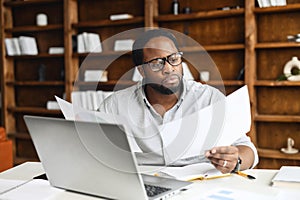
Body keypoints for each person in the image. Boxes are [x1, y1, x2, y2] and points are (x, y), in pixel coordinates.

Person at [98, 29, 258, 173]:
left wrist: (236, 160)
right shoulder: (114, 106)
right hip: (143, 184)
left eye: (173, 59)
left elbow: (247, 149)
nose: (169, 68)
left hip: (199, 184)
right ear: (141, 71)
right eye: (156, 63)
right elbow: (94, 151)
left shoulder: (208, 98)